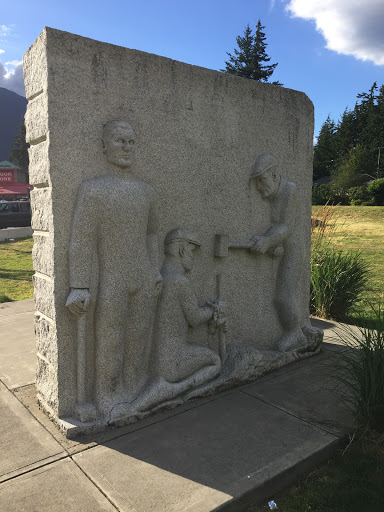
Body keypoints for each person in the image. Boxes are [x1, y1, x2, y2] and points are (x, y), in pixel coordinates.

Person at [66, 120, 162, 418]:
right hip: (113, 278)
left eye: (131, 142)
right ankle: (108, 394)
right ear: (105, 146)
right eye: (120, 141)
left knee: (139, 336)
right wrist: (79, 285)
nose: (126, 147)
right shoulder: (93, 190)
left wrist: (155, 268)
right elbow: (81, 240)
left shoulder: (147, 191)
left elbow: (152, 233)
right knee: (111, 337)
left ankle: (135, 390)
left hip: (144, 276)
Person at [132, 227, 223, 412]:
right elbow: (195, 318)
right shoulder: (180, 281)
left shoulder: (161, 276)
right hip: (173, 361)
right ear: (182, 250)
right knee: (215, 361)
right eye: (191, 251)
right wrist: (214, 310)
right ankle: (173, 390)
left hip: (155, 361)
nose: (193, 257)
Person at [249, 153, 307, 352]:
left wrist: (267, 241)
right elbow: (276, 227)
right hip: (283, 249)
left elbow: (286, 227)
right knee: (280, 296)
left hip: (294, 251)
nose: (259, 186)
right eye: (257, 182)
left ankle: (295, 333)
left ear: (274, 175)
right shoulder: (275, 196)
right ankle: (293, 332)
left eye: (262, 180)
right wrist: (265, 240)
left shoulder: (290, 191)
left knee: (283, 296)